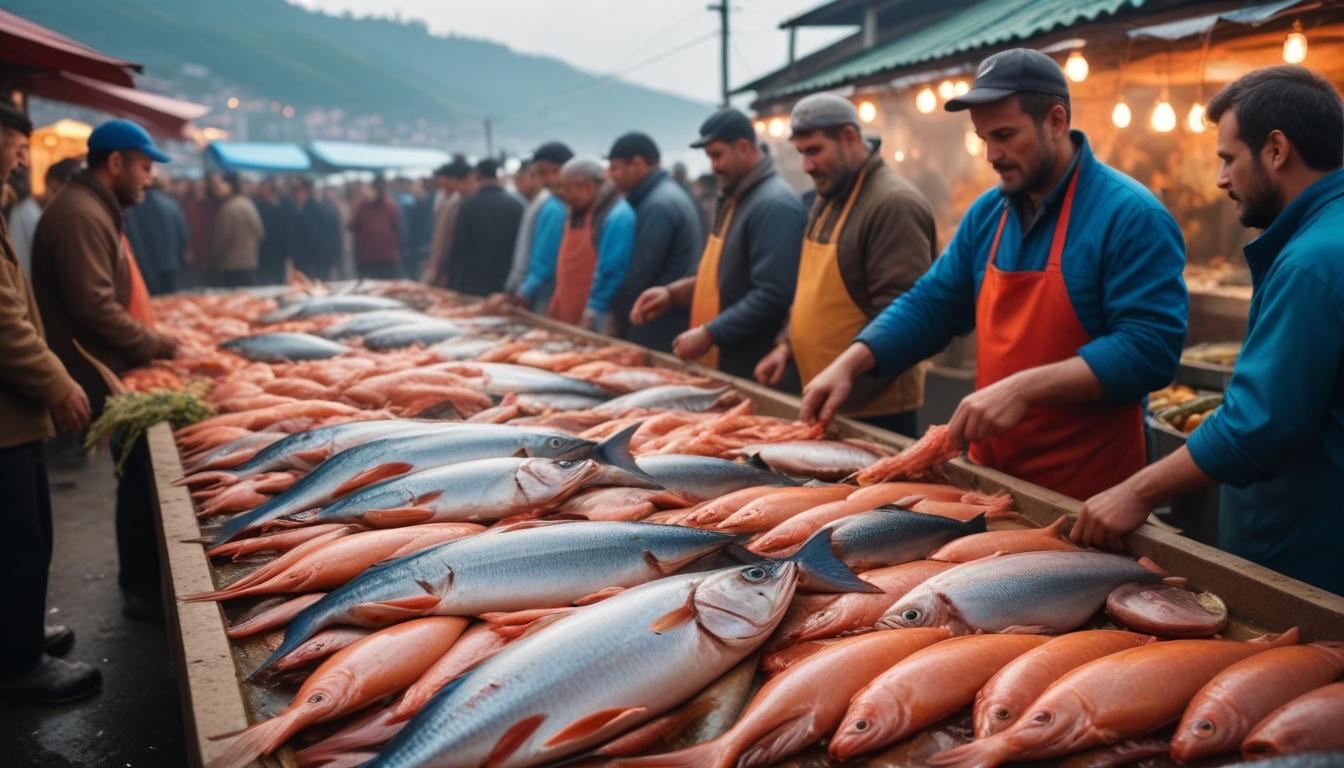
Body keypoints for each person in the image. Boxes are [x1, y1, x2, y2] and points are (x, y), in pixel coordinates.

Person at [801, 49, 1187, 489]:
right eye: (984, 138)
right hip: (993, 475)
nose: (992, 155)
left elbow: (1149, 349)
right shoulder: (989, 213)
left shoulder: (1131, 215)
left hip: (1090, 491)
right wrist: (852, 362)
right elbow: (932, 304)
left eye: (1004, 135)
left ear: (1056, 121)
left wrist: (1022, 389)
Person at [1074, 66, 1344, 594]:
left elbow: (1255, 427)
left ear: (1276, 149)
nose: (1220, 180)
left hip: (1308, 566)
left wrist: (1137, 492)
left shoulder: (1311, 262)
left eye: (1227, 159)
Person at [31, 118, 178, 622]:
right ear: (114, 163)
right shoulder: (80, 214)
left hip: (101, 367)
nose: (148, 177)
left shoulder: (92, 207)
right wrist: (154, 343)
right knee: (135, 475)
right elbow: (93, 305)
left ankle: (140, 584)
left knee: (134, 473)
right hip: (89, 370)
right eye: (143, 166)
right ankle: (140, 590)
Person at [752, 94, 938, 434]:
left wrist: (848, 372)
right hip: (824, 398)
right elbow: (812, 290)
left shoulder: (892, 204)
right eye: (801, 153)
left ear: (850, 138)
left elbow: (903, 312)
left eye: (815, 150)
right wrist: (786, 346)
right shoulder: (828, 196)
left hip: (873, 410)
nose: (806, 165)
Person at [0, 102, 100, 706]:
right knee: (20, 538)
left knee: (16, 535)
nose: (20, 155)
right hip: (7, 416)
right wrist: (58, 381)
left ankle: (14, 633)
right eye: (13, 142)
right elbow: (4, 325)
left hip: (12, 411)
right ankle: (17, 664)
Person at [629, 108, 805, 379]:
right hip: (723, 360)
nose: (713, 166)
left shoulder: (774, 205)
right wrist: (673, 294)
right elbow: (723, 276)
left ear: (744, 147)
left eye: (717, 155)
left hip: (750, 365)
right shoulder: (738, 197)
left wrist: (712, 332)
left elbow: (773, 293)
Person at [607, 131, 705, 353]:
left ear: (638, 164)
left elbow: (644, 268)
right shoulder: (665, 194)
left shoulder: (659, 204)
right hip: (667, 312)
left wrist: (623, 317)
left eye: (616, 167)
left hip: (659, 316)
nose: (611, 175)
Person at [546, 156, 635, 329]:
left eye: (567, 189)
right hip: (569, 311)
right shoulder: (579, 211)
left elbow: (611, 272)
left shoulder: (617, 216)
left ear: (587, 186)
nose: (563, 196)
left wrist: (592, 313)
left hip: (596, 318)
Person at [446, 158, 524, 296]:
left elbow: (459, 246)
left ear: (478, 176)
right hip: (504, 281)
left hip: (471, 281)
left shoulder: (468, 205)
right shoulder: (517, 206)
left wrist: (452, 282)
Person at [513, 141, 573, 311]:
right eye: (540, 173)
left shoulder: (554, 206)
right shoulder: (551, 203)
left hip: (546, 290)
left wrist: (526, 289)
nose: (545, 180)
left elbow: (545, 258)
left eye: (549, 172)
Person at [123, 176, 188, 295]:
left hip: (148, 266)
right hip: (170, 263)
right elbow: (183, 234)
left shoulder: (136, 208)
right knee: (169, 301)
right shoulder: (172, 205)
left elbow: (135, 239)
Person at [422, 159, 474, 287]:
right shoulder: (450, 201)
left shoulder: (455, 202)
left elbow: (443, 238)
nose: (441, 183)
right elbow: (440, 236)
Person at [208, 173, 263, 287]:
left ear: (230, 185)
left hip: (231, 265)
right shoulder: (247, 203)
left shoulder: (228, 208)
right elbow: (259, 232)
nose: (216, 189)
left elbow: (221, 240)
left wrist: (214, 260)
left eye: (220, 186)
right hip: (249, 262)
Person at [349, 176, 402, 279]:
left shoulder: (390, 205)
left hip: (387, 257)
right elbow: (353, 226)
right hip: (367, 258)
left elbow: (397, 228)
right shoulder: (362, 205)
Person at [292, 178, 340, 280]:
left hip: (314, 259)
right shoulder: (304, 209)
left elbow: (313, 236)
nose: (297, 196)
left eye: (299, 192)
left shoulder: (311, 210)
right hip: (318, 258)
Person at [252, 177, 294, 285]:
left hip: (277, 250)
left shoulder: (283, 206)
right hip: (265, 251)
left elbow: (287, 230)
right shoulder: (259, 205)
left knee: (276, 277)